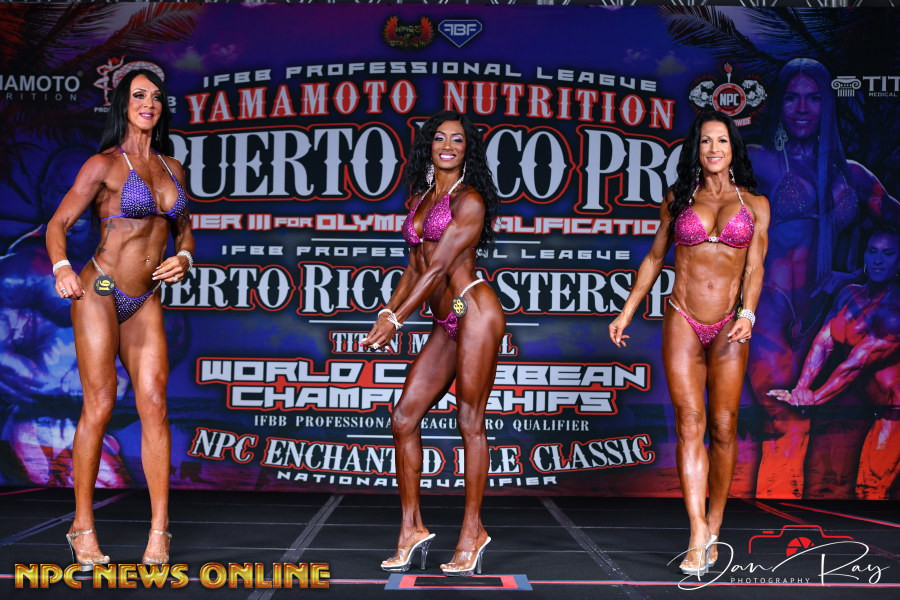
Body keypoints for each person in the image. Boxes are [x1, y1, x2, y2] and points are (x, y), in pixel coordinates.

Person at [609, 111, 769, 575]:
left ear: (733, 149)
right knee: (689, 422)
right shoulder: (679, 199)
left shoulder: (755, 203)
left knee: (723, 425)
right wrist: (627, 310)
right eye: (705, 142)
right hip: (682, 316)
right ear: (696, 149)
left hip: (730, 324)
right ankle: (697, 529)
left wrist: (748, 312)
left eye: (722, 141)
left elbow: (755, 266)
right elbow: (654, 258)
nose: (714, 149)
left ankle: (715, 523)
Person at [46, 69, 194, 569]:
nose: (148, 103)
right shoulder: (104, 165)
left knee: (155, 404)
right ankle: (82, 525)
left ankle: (159, 530)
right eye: (138, 95)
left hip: (146, 296)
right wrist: (62, 267)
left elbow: (184, 229)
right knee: (101, 402)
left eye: (155, 96)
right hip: (101, 290)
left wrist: (185, 257)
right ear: (123, 105)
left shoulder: (173, 167)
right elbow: (59, 223)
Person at [747, 58, 898, 498]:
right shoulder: (758, 162)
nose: (802, 108)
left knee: (883, 399)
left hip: (828, 314)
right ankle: (773, 530)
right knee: (786, 422)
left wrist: (867, 279)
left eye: (813, 98)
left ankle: (817, 522)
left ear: (828, 106)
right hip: (773, 309)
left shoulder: (852, 175)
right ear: (779, 104)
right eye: (792, 97)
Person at [362, 110, 504, 577]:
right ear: (429, 146)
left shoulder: (470, 200)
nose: (447, 145)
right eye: (439, 138)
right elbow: (415, 266)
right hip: (447, 320)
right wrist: (387, 311)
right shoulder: (421, 199)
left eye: (457, 140)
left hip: (474, 310)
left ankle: (472, 532)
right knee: (404, 417)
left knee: (470, 421)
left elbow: (441, 266)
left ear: (467, 149)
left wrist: (398, 320)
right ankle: (411, 529)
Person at [768, 227, 899, 499]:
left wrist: (813, 399)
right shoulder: (849, 294)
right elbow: (823, 343)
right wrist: (801, 388)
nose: (878, 260)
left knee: (872, 488)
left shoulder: (894, 312)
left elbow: (854, 366)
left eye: (888, 254)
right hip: (874, 405)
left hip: (894, 409)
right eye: (872, 251)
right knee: (863, 489)